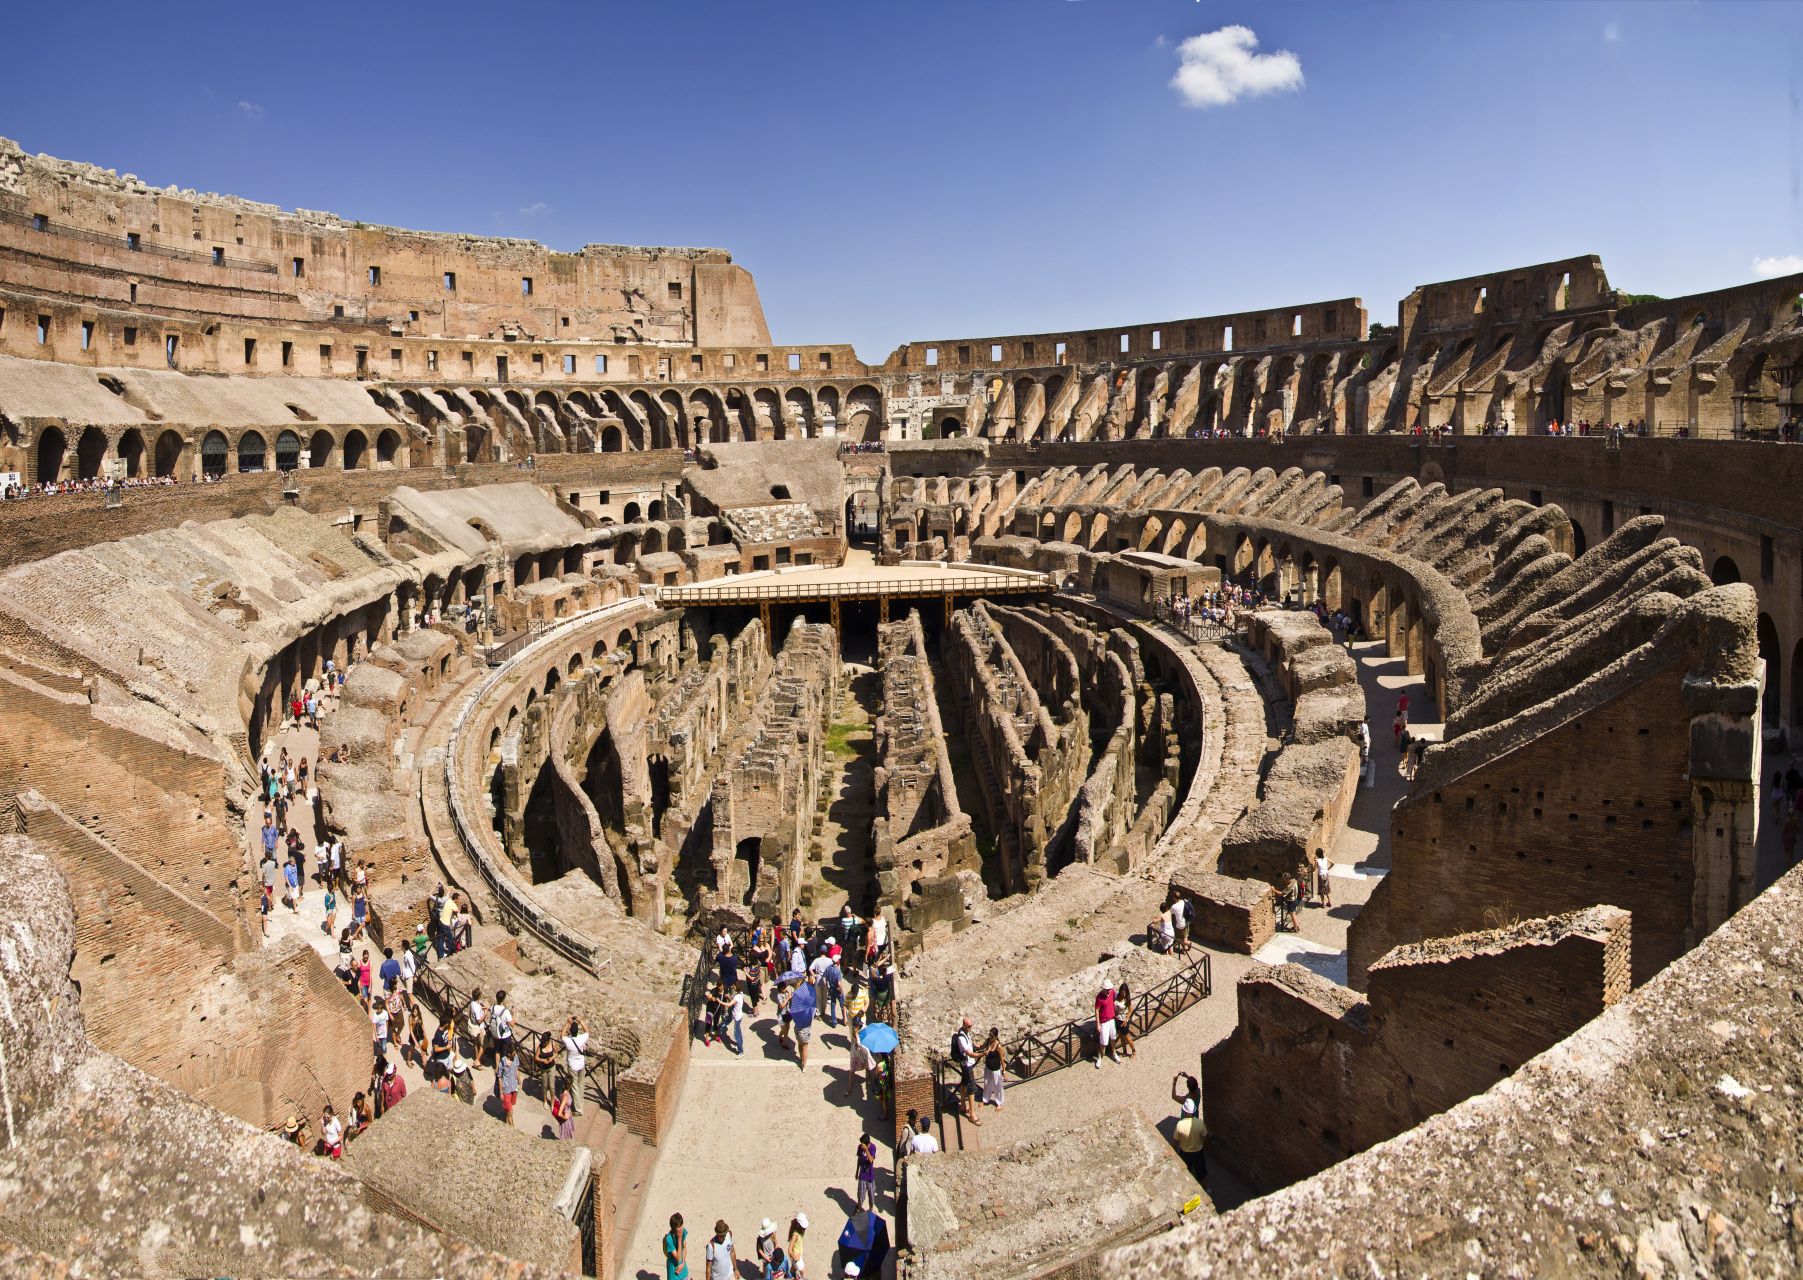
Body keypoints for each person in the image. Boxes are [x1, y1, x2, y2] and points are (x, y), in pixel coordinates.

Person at [1171, 1072, 1207, 1182]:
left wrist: (1174, 1082)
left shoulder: (1186, 1100)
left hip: (1185, 1151)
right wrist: (1187, 1076)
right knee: (1201, 1174)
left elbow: (1174, 1096)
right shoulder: (1198, 1093)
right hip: (1198, 1150)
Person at [951, 1017, 981, 1124]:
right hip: (967, 1065)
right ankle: (972, 1114)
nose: (971, 1028)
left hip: (967, 1064)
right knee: (972, 1088)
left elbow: (970, 1046)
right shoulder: (961, 1038)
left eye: (971, 1025)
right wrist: (981, 1054)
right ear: (964, 1025)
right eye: (969, 1026)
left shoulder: (966, 1033)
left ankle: (963, 1105)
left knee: (963, 1083)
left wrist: (977, 1046)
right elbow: (969, 1053)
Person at [789, 973, 817, 1070]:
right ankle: (804, 1066)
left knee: (799, 1045)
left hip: (797, 1027)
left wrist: (791, 1000)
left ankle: (801, 1059)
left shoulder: (797, 1005)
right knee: (805, 1048)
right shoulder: (811, 1009)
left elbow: (792, 1012)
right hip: (806, 1029)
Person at [563, 1014, 590, 1114]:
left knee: (574, 1087)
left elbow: (562, 1035)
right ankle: (580, 1102)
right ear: (577, 1031)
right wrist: (581, 1022)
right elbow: (587, 1032)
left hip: (573, 1066)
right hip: (581, 1064)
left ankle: (579, 1109)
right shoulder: (581, 1039)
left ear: (570, 1031)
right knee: (581, 1084)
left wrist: (567, 1023)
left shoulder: (568, 1041)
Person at [980, 1027, 1005, 1109]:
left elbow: (1001, 1059)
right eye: (989, 1035)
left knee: (997, 1085)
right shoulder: (988, 1041)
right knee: (987, 1084)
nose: (990, 1037)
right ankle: (985, 1099)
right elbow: (982, 1047)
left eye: (992, 1036)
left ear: (996, 1036)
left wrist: (1004, 1072)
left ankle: (999, 1102)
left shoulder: (998, 1046)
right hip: (988, 1067)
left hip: (996, 1069)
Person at [1095, 985, 1118, 1067]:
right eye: (1107, 989)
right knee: (1103, 1042)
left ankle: (1114, 1053)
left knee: (1113, 1038)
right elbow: (1097, 1010)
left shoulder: (1112, 992)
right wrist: (1098, 1024)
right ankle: (1099, 1057)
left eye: (1110, 989)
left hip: (1112, 1020)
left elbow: (1117, 997)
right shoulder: (1099, 997)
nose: (1109, 991)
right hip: (1104, 1022)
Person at [497, 1047, 520, 1126]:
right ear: (509, 1054)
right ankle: (512, 1127)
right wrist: (501, 1092)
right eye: (514, 1053)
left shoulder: (515, 1058)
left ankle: (505, 1123)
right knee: (510, 1110)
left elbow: (517, 1069)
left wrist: (519, 1083)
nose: (515, 1055)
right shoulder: (502, 1063)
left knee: (509, 1108)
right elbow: (499, 1077)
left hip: (514, 1086)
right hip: (506, 1088)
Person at [855, 1133, 878, 1211]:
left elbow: (871, 1160)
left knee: (871, 1196)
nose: (861, 1145)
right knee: (861, 1195)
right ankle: (858, 1207)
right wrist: (857, 1171)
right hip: (862, 1175)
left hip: (870, 1176)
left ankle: (871, 1210)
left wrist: (866, 1150)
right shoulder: (860, 1147)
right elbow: (859, 1159)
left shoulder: (872, 1148)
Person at [664, 1212, 689, 1280]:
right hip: (674, 1272)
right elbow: (678, 1258)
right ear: (674, 1228)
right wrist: (679, 1239)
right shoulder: (669, 1239)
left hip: (683, 1270)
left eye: (681, 1225)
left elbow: (684, 1248)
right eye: (679, 1227)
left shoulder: (683, 1231)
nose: (681, 1228)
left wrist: (683, 1263)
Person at [787, 1213, 809, 1279]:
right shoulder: (795, 1235)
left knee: (793, 1270)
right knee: (804, 1273)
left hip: (798, 1255)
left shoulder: (799, 1231)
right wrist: (795, 1257)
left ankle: (789, 1277)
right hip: (796, 1258)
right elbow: (789, 1250)